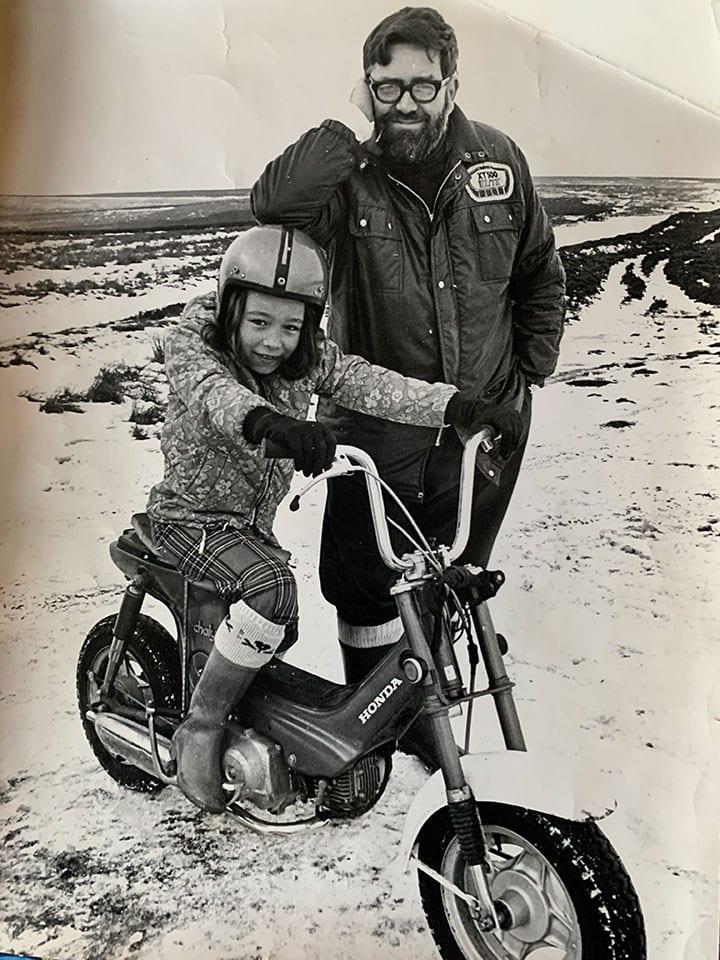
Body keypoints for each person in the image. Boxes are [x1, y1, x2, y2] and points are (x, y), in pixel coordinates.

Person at [249, 7, 566, 751]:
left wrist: (528, 377)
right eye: (385, 88)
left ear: (452, 84)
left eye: (424, 87)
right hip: (375, 436)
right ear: (366, 90)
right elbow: (272, 205)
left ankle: (435, 701)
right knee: (365, 587)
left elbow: (539, 274)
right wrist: (344, 121)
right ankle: (382, 729)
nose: (406, 105)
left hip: (481, 430)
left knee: (453, 574)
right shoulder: (348, 177)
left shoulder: (498, 160)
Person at [146, 223, 519, 811]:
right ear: (229, 308)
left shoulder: (306, 360)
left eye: (292, 327)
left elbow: (367, 383)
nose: (275, 342)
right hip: (190, 517)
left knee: (283, 617)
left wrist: (455, 406)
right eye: (260, 323)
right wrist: (270, 423)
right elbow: (216, 396)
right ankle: (201, 724)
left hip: (250, 525)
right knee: (272, 590)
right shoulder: (196, 346)